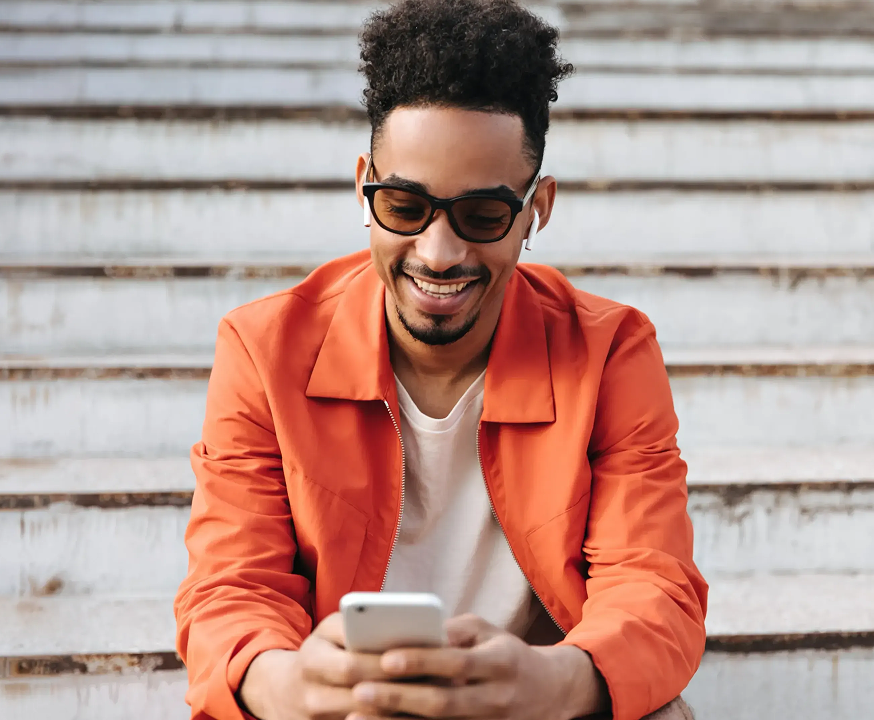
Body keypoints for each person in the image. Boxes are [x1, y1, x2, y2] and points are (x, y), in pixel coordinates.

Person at [173, 0, 708, 718]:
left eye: (483, 216)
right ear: (364, 182)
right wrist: (290, 683)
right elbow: (231, 590)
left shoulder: (610, 350)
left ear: (536, 209)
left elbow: (654, 588)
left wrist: (551, 682)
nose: (439, 253)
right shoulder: (265, 348)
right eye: (404, 205)